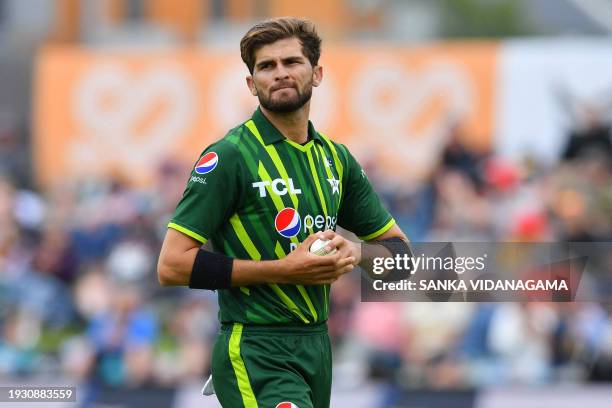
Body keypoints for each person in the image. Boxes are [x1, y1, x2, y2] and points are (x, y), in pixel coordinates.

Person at [157, 17, 409, 408]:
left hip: (317, 347)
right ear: (251, 83)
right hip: (256, 345)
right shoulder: (229, 156)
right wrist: (283, 270)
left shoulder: (336, 160)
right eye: (266, 66)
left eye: (291, 62)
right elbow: (171, 265)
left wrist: (356, 254)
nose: (280, 74)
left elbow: (403, 260)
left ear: (317, 73)